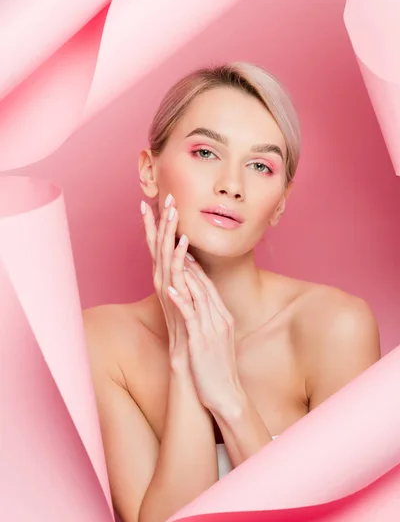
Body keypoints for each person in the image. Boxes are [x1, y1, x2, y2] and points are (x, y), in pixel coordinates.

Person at [83, 62, 381, 522]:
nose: (231, 185)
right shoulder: (102, 340)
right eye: (206, 152)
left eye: (261, 166)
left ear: (280, 203)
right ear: (148, 170)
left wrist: (228, 397)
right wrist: (186, 363)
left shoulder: (333, 326)